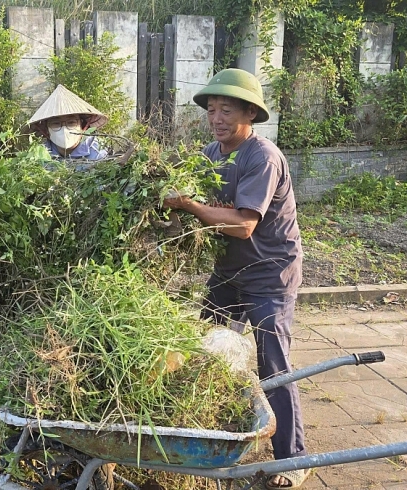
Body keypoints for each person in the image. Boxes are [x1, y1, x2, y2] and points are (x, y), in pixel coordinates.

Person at [162, 69, 309, 489]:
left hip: (268, 274)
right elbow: (202, 209)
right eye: (211, 109)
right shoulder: (211, 153)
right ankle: (209, 431)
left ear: (250, 112)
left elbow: (244, 224)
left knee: (272, 365)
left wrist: (188, 205)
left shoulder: (262, 156)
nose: (217, 117)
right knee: (200, 347)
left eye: (227, 109)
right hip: (229, 271)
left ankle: (292, 460)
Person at [27, 84, 109, 160]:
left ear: (82, 126)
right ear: (46, 130)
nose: (64, 129)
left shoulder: (97, 151)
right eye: (56, 123)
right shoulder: (40, 154)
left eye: (71, 123)